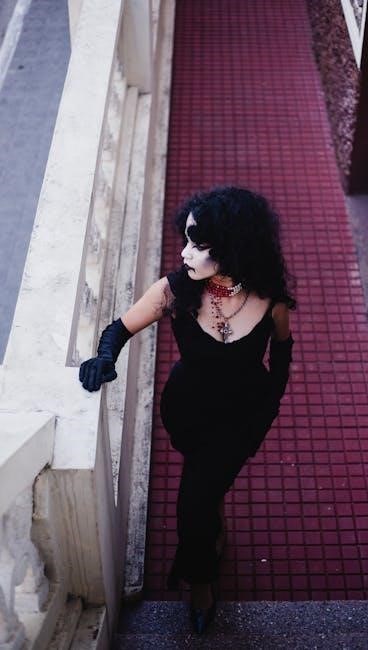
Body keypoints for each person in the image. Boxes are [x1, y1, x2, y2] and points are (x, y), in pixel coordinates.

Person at [79, 186, 296, 635]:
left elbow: (281, 356)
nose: (184, 252)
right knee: (204, 490)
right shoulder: (175, 290)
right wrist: (104, 359)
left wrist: (268, 409)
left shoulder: (270, 298)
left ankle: (201, 585)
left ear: (232, 246)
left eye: (198, 244)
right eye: (186, 239)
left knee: (192, 504)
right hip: (187, 413)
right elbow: (118, 329)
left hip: (240, 422)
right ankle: (212, 531)